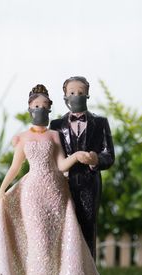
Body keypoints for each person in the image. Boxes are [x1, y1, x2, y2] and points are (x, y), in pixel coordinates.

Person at [0, 84, 106, 275]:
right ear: (30, 108)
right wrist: (2, 189)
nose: (39, 110)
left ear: (49, 109)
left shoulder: (55, 135)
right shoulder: (21, 138)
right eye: (35, 106)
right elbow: (15, 167)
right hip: (33, 193)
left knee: (54, 241)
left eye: (43, 106)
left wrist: (78, 157)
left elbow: (61, 165)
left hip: (56, 192)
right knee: (38, 239)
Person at [49, 76, 115, 262]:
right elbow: (51, 154)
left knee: (87, 226)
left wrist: (96, 160)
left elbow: (109, 155)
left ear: (87, 95)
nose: (76, 96)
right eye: (71, 93)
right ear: (64, 97)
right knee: (64, 227)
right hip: (63, 183)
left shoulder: (100, 123)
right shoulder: (55, 126)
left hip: (89, 184)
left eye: (80, 92)